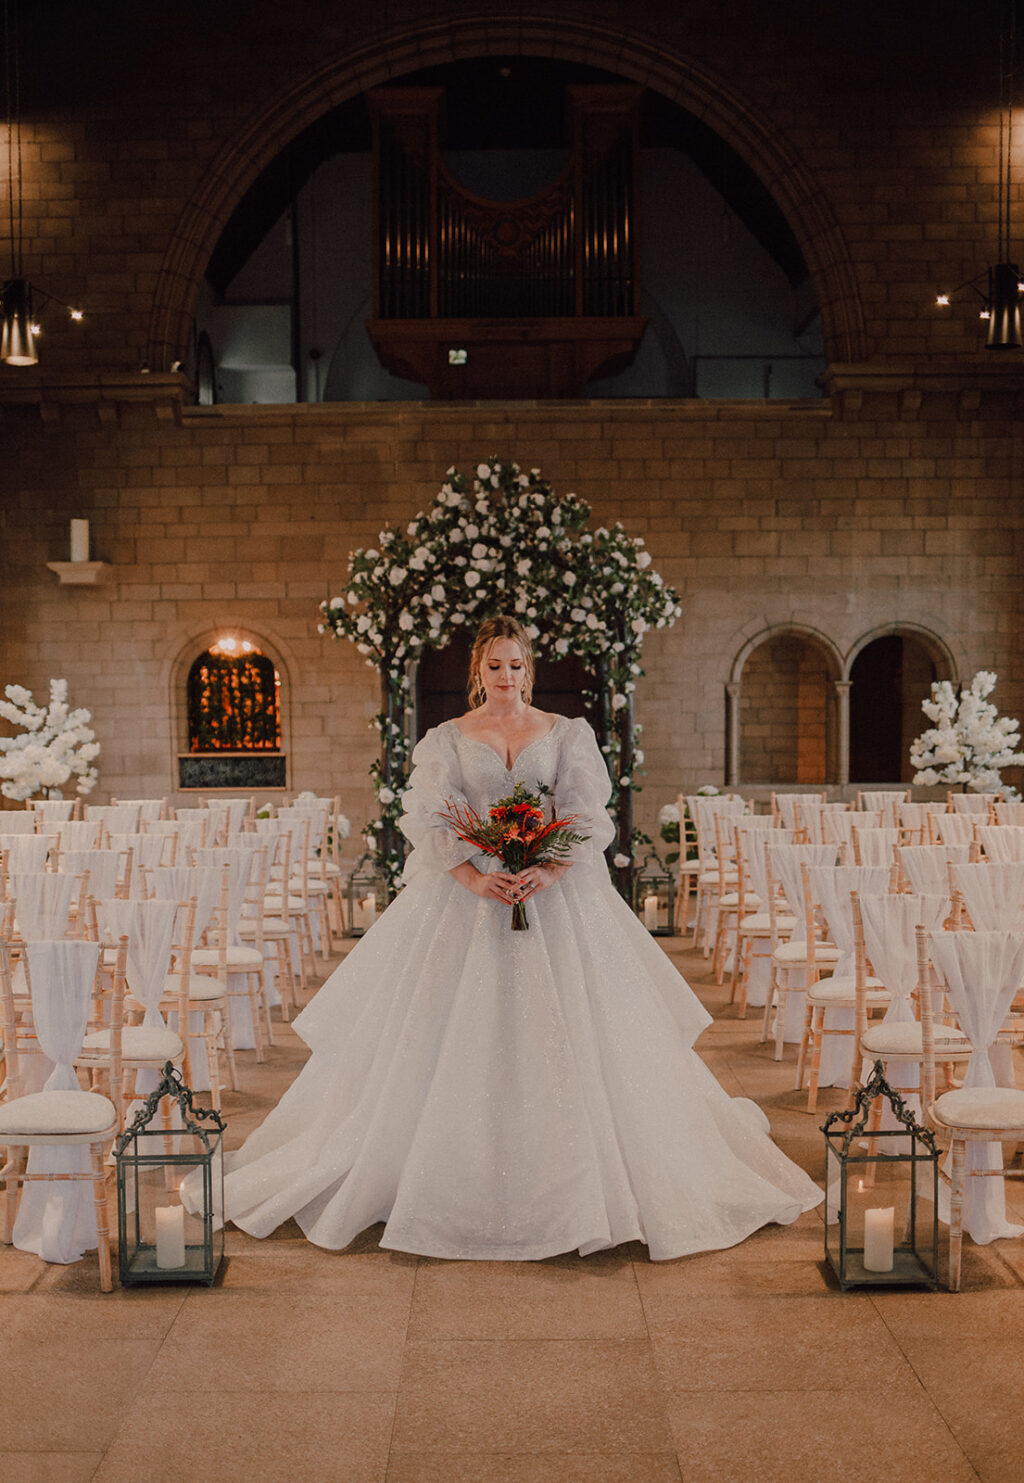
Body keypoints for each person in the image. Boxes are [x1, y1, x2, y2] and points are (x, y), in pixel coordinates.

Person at [211, 615, 822, 1260]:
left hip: (552, 899)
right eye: (495, 666)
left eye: (516, 666)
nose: (506, 677)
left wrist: (549, 869)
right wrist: (476, 880)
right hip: (468, 903)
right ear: (478, 672)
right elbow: (426, 815)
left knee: (580, 1032)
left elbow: (589, 814)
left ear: (529, 670)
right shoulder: (446, 739)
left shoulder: (566, 734)